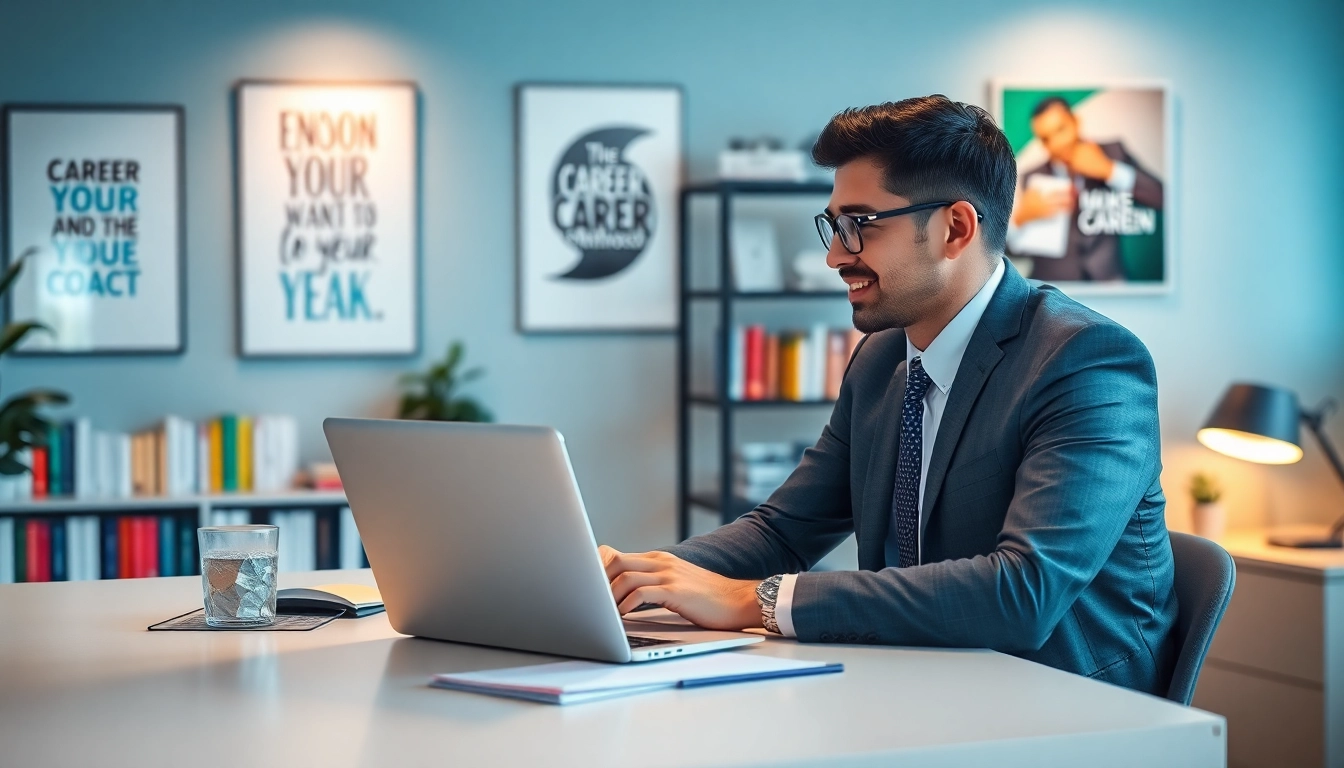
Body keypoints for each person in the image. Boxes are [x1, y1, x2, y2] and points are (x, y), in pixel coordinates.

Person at [601, 95, 1178, 695]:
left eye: (859, 227)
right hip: (912, 680)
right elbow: (784, 531)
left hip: (1067, 707)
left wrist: (757, 600)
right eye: (832, 226)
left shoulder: (1087, 362)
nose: (834, 256)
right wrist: (635, 580)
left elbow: (1023, 593)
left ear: (955, 228)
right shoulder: (883, 360)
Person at [1007, 95, 1164, 282]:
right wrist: (1021, 218)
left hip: (1110, 283)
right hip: (1053, 289)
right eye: (1046, 138)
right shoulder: (1031, 177)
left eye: (1060, 129)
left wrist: (1109, 170)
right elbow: (1004, 252)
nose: (1056, 143)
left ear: (1076, 121)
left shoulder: (1114, 152)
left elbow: (1162, 197)